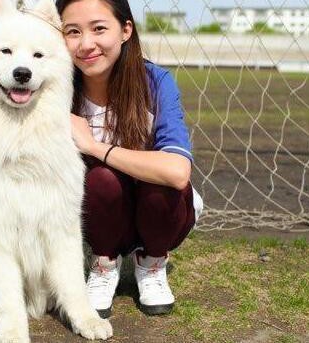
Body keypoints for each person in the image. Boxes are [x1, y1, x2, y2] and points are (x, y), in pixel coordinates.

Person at [55, 0, 203, 318]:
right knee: (101, 180)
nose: (86, 44)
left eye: (98, 29)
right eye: (72, 32)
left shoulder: (155, 82)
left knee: (159, 182)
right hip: (102, 215)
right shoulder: (57, 89)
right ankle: (104, 264)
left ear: (125, 30)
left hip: (162, 212)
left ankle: (152, 263)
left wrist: (95, 147)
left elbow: (178, 172)